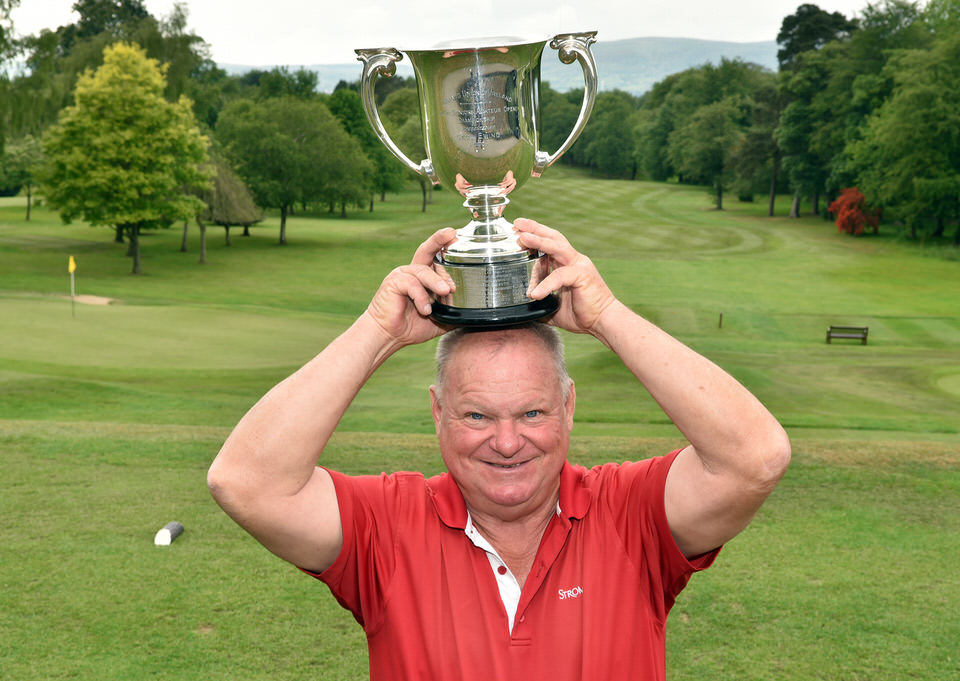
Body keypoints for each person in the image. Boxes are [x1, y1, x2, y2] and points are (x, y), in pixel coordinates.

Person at [207, 220, 791, 680]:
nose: (507, 442)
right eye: (477, 415)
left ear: (568, 408)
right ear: (439, 414)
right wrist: (378, 332)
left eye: (532, 412)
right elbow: (246, 483)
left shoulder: (628, 513)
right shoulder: (387, 526)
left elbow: (754, 457)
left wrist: (608, 317)